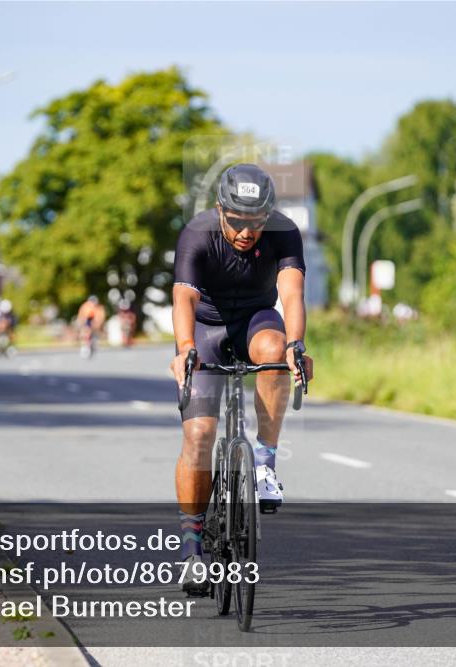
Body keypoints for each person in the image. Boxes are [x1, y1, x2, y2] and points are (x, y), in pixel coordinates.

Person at [170, 163, 314, 593]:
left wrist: (296, 345)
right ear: (220, 211)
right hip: (207, 328)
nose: (247, 231)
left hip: (256, 321)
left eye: (256, 222)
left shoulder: (284, 232)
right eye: (237, 221)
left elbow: (291, 294)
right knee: (199, 434)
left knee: (275, 352)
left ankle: (265, 464)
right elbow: (184, 299)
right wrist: (184, 351)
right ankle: (192, 546)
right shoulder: (198, 235)